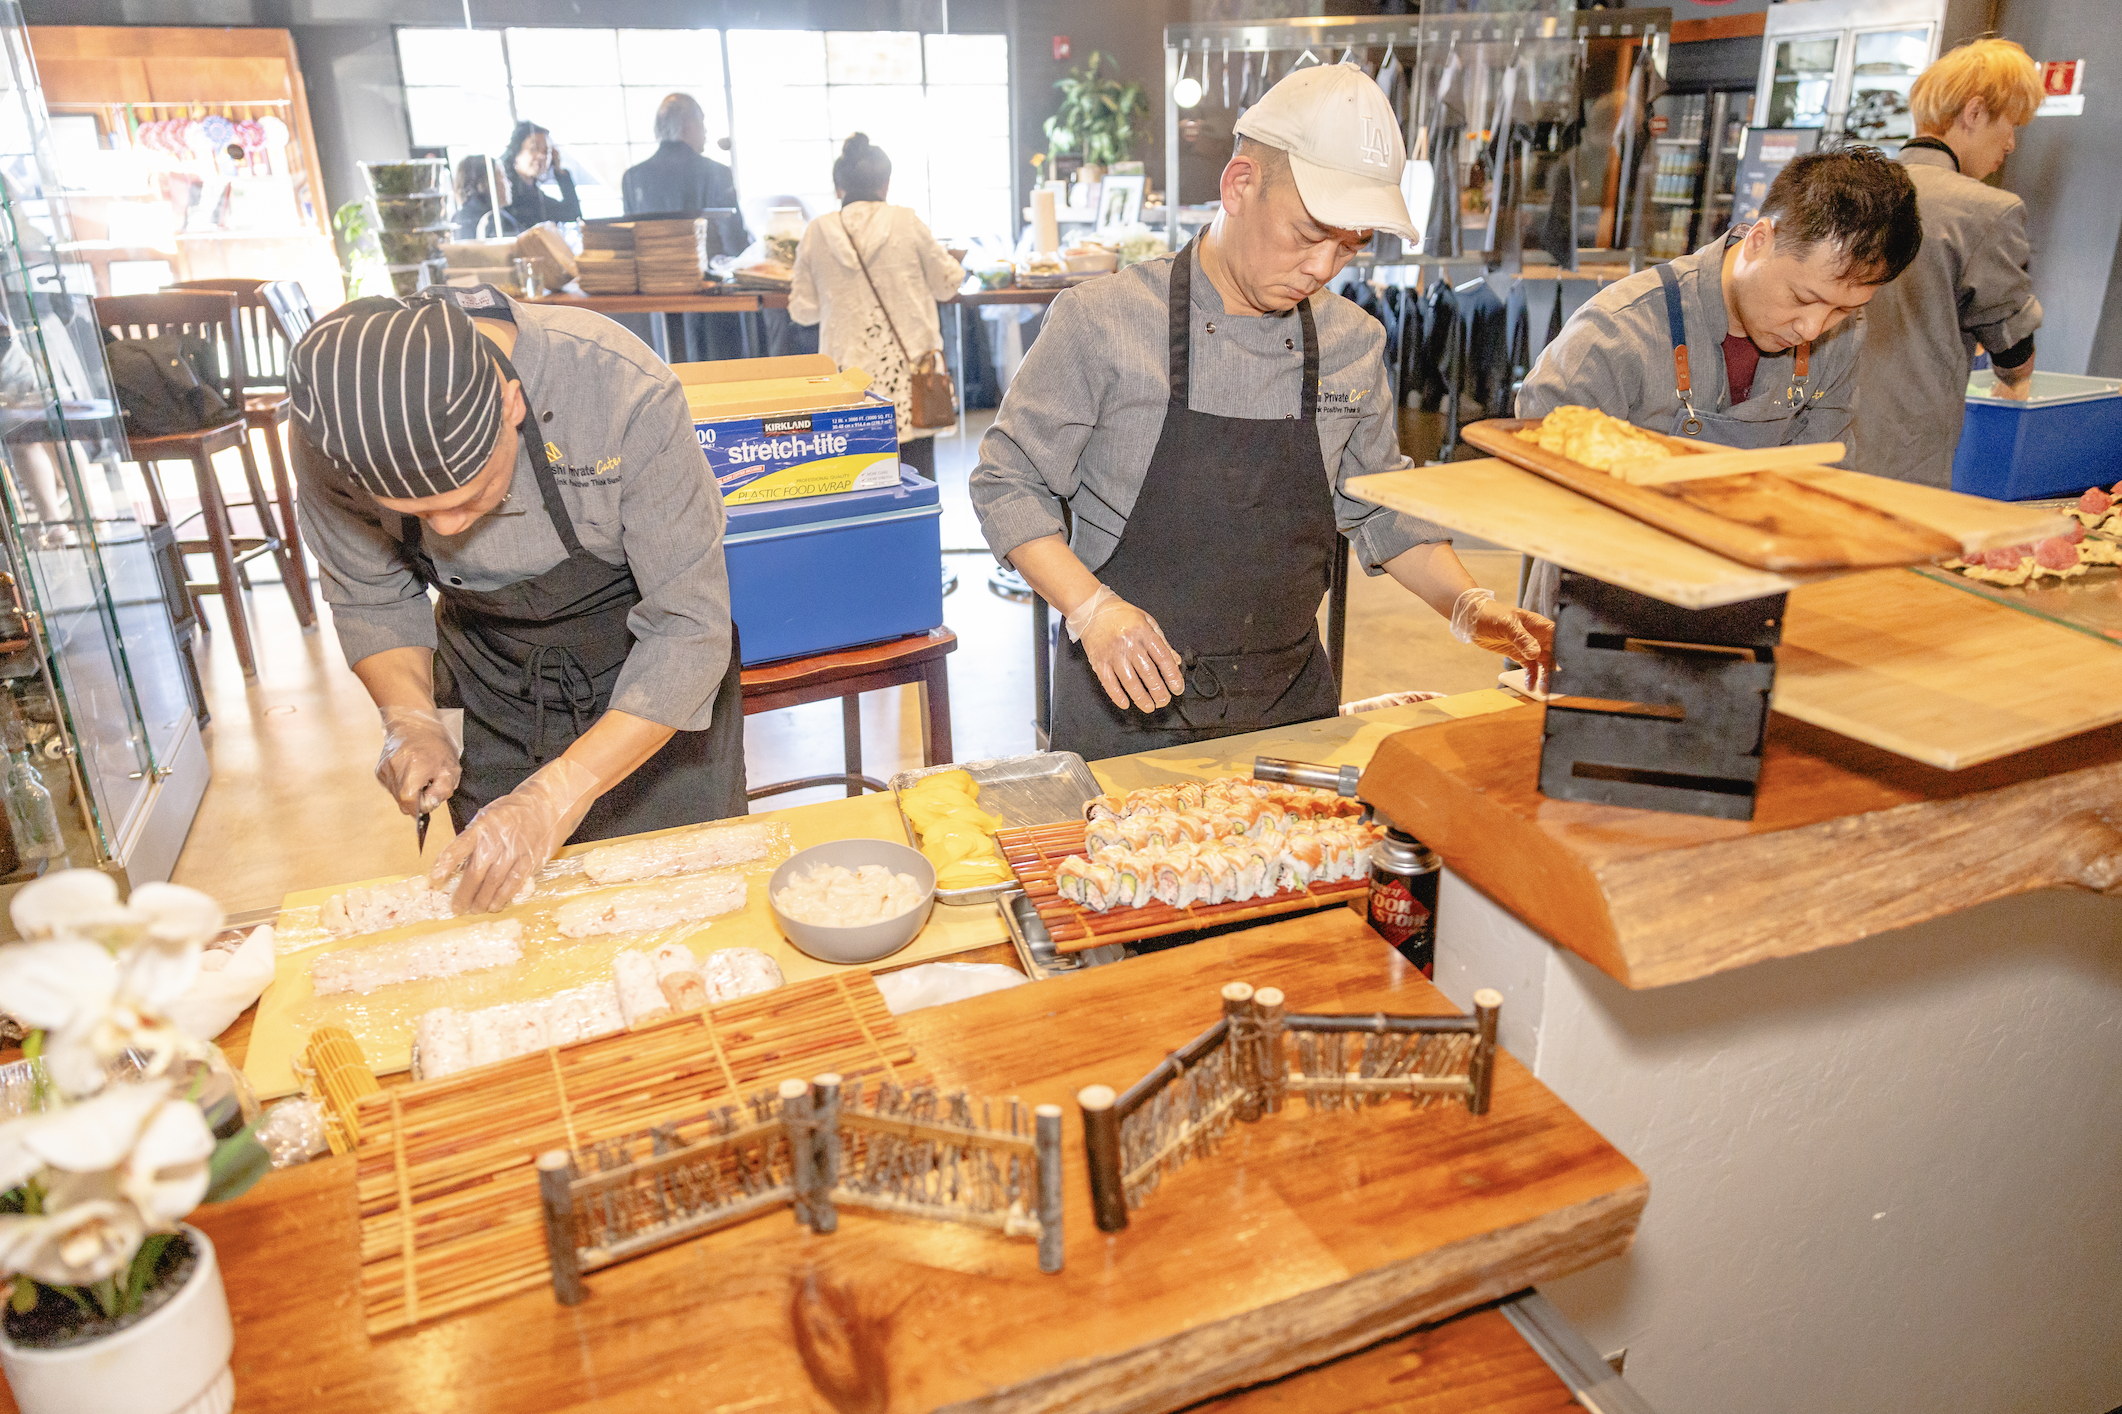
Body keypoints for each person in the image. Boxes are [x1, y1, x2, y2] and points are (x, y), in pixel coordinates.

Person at [969, 64, 1553, 763]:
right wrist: (1091, 609)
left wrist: (1468, 606)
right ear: (1240, 185)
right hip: (1124, 704)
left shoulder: (1352, 343)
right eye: (1309, 233)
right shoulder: (1106, 320)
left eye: (1349, 245)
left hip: (1290, 711)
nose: (1323, 266)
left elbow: (1379, 508)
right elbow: (1007, 481)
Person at [287, 286, 745, 912]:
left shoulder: (619, 390)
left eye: (473, 496)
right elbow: (372, 595)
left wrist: (554, 795)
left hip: (647, 675)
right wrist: (411, 718)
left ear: (511, 403)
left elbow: (688, 627)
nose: (446, 529)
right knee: (521, 919)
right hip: (493, 681)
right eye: (417, 513)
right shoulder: (333, 436)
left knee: (676, 906)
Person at [1516, 146, 1922, 611]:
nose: (1812, 328)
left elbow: (1821, 479)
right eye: (1802, 297)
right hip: (1600, 600)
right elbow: (1535, 468)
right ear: (1759, 240)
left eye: (1843, 309)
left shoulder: (1842, 337)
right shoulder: (1620, 329)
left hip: (1747, 595)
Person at [1853, 39, 2046, 486]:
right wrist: (2017, 378)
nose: (2012, 144)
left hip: (1804, 433)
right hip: (1899, 452)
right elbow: (2012, 346)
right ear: (1974, 113)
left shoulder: (1853, 184)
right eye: (2012, 124)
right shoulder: (1987, 211)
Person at [788, 134, 963, 479]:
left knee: (856, 481)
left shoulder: (817, 231)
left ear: (839, 187)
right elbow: (948, 284)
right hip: (913, 383)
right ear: (886, 183)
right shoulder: (907, 221)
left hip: (847, 384)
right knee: (917, 479)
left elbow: (802, 311)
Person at [622, 93, 750, 362]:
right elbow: (734, 243)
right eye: (703, 123)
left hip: (654, 305)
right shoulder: (716, 172)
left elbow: (629, 245)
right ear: (689, 125)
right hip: (712, 302)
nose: (705, 132)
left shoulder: (633, 177)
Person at [500, 121, 582, 230]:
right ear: (516, 152)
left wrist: (559, 171)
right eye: (534, 149)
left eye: (546, 152)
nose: (541, 156)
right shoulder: (505, 192)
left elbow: (572, 215)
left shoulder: (535, 194)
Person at [452, 155, 516, 241]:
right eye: (503, 176)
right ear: (486, 183)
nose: (509, 183)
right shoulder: (497, 220)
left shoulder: (457, 218)